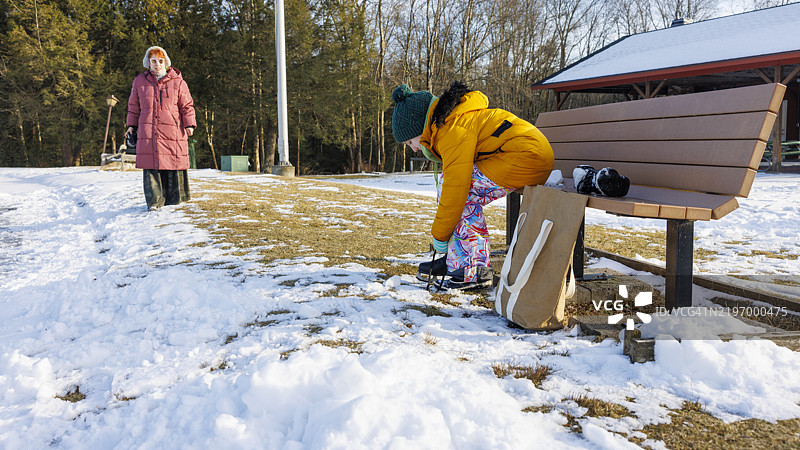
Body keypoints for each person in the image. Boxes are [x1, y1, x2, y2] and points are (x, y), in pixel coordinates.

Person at [392, 81, 554, 290]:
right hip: (526, 156)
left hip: (525, 158)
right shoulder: (452, 121)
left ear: (419, 127)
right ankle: (459, 259)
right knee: (455, 186)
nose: (413, 149)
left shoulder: (451, 128)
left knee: (462, 191)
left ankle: (471, 268)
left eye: (409, 142)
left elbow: (456, 187)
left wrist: (440, 235)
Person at [127, 46, 197, 210]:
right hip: (148, 130)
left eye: (160, 61)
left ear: (166, 62)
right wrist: (131, 125)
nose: (157, 64)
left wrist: (189, 124)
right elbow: (133, 106)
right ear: (148, 63)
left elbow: (187, 105)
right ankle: (155, 202)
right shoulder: (139, 82)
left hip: (172, 129)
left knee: (172, 162)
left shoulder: (178, 82)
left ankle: (174, 201)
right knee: (151, 163)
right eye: (153, 61)